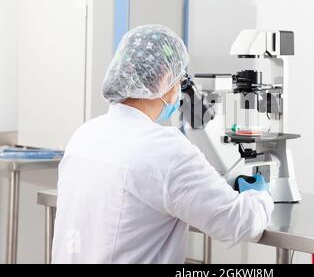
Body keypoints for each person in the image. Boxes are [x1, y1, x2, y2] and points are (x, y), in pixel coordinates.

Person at [52, 25, 274, 264]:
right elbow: (239, 223)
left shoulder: (85, 134)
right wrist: (259, 195)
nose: (179, 91)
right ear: (165, 79)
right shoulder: (166, 149)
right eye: (180, 81)